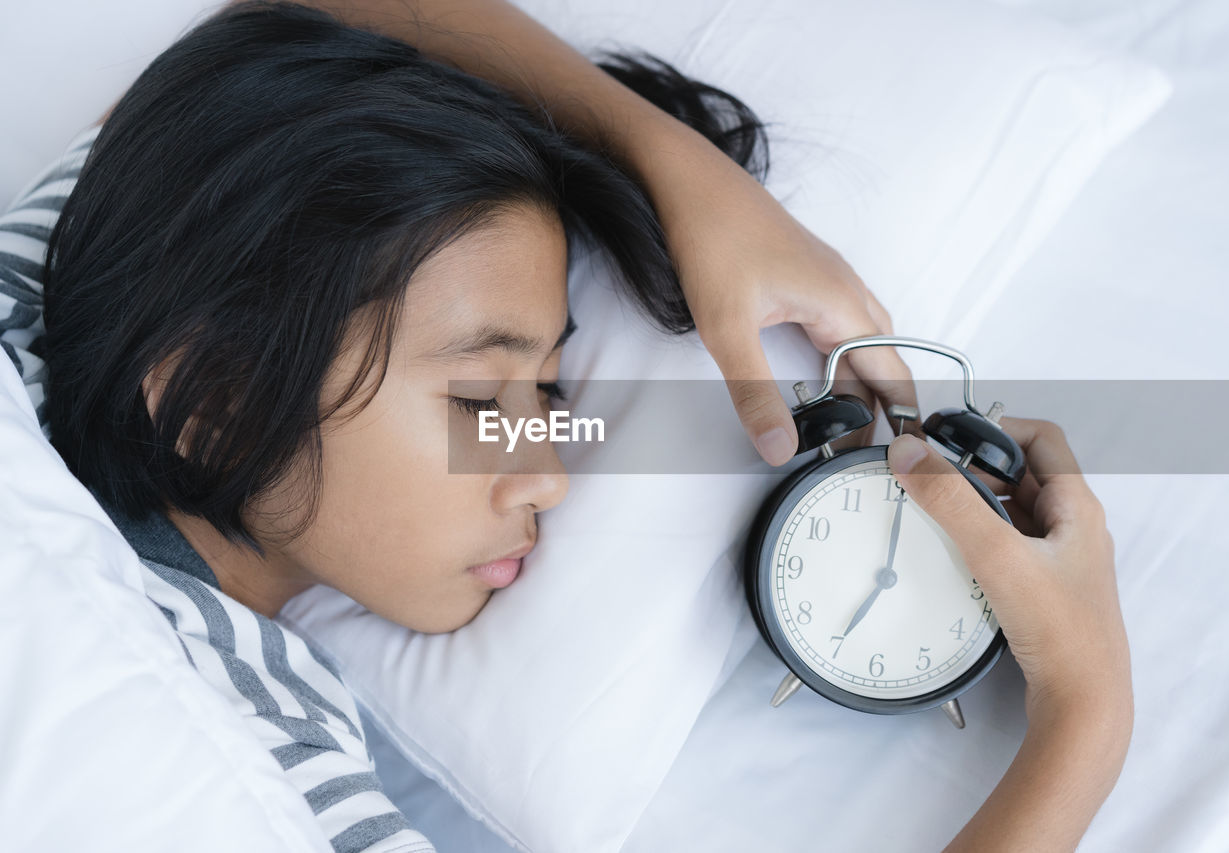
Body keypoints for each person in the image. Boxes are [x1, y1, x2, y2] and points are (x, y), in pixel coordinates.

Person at [0, 2, 1132, 851]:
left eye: (549, 395)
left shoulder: (66, 269)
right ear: (213, 403)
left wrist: (676, 177)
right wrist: (1083, 724)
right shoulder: (255, 770)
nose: (544, 474)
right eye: (477, 403)